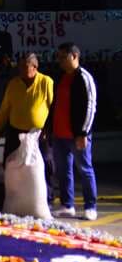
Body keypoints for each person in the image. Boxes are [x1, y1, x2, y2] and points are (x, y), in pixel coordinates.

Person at [0, 52, 54, 201]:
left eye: (24, 66)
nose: (20, 70)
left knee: (45, 162)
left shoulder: (46, 82)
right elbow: (5, 107)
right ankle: (13, 195)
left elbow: (53, 106)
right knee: (10, 162)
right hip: (15, 130)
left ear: (35, 67)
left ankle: (48, 196)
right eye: (19, 66)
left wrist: (49, 128)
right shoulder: (14, 83)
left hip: (38, 132)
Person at [50, 42, 98, 221]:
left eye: (64, 57)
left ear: (74, 56)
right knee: (63, 171)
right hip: (59, 134)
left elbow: (90, 107)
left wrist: (83, 132)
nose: (60, 61)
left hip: (77, 135)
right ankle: (67, 205)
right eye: (59, 57)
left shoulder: (84, 78)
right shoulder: (60, 77)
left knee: (85, 169)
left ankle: (90, 206)